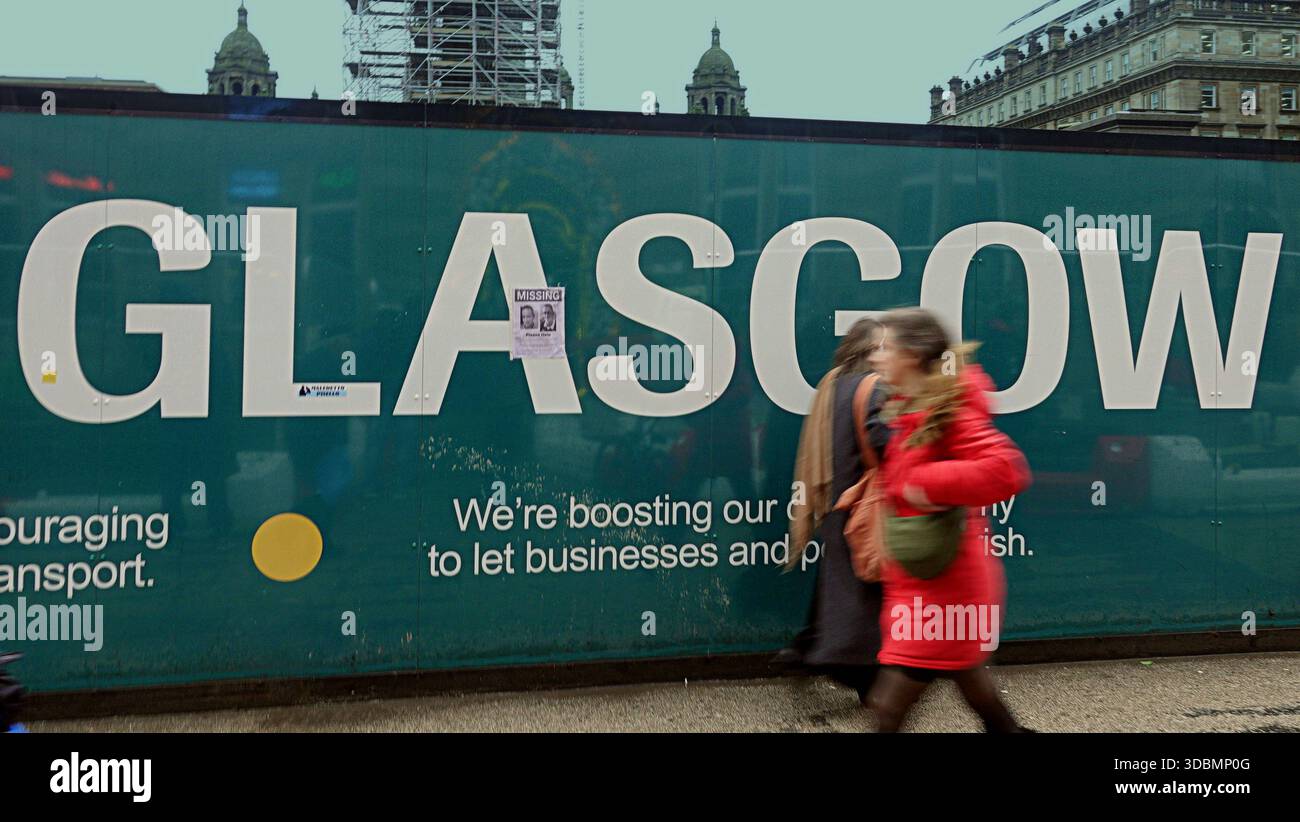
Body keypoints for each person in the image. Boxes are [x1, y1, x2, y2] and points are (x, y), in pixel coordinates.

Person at [865, 307, 1034, 733]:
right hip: (926, 578)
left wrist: (924, 485)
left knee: (888, 706)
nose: (874, 356)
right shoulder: (912, 408)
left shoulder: (951, 410)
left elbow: (1007, 470)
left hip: (946, 584)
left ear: (913, 354)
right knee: (972, 683)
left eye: (885, 347)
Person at [776, 317, 892, 704]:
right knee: (864, 593)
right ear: (869, 351)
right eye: (883, 347)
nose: (890, 354)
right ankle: (852, 671)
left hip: (836, 501)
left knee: (840, 583)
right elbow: (883, 440)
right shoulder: (873, 389)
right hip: (865, 504)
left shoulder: (833, 383)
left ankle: (808, 646)